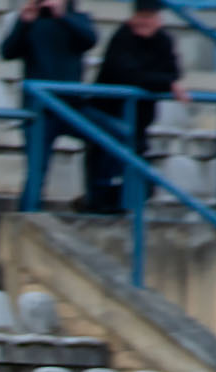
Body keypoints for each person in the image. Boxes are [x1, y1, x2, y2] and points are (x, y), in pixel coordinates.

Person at [86, 0, 187, 215]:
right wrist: (164, 82)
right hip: (109, 116)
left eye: (150, 17)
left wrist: (161, 80)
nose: (145, 23)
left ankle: (116, 208)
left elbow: (174, 72)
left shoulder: (163, 41)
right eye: (141, 17)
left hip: (139, 121)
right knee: (103, 170)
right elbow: (126, 74)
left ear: (158, 19)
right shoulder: (122, 37)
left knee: (141, 182)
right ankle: (96, 204)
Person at [1, 0, 99, 207]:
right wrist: (24, 22)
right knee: (36, 170)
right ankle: (28, 216)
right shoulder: (31, 22)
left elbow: (89, 40)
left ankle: (96, 200)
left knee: (110, 137)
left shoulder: (78, 19)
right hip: (39, 110)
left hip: (72, 107)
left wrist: (62, 16)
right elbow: (7, 52)